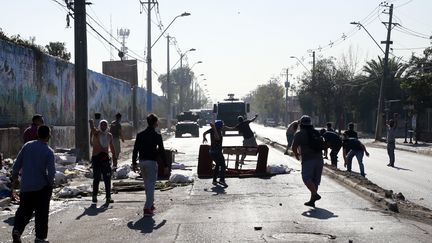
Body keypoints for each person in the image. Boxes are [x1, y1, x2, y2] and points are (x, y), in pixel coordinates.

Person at [11, 125, 56, 243]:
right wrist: (50, 184)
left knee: (24, 211)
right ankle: (40, 237)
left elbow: (17, 162)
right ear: (48, 136)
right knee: (41, 213)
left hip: (26, 186)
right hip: (41, 187)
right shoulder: (49, 151)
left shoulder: (27, 146)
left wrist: (15, 175)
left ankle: (17, 231)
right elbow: (51, 172)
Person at [132, 113, 168, 217]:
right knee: (151, 185)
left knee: (147, 185)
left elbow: (135, 150)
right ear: (156, 123)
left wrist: (134, 163)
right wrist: (165, 165)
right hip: (151, 163)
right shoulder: (157, 136)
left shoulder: (140, 135)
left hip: (142, 162)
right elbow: (161, 151)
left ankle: (151, 204)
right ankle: (147, 208)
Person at [292, 115, 324, 207]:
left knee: (306, 178)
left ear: (301, 124)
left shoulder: (299, 134)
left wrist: (296, 155)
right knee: (315, 181)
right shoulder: (316, 132)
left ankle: (315, 194)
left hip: (308, 159)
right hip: (319, 160)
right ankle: (312, 200)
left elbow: (294, 147)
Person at [89, 119, 117, 204]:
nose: (103, 126)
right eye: (102, 125)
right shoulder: (97, 133)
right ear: (99, 126)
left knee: (107, 178)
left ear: (107, 126)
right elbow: (92, 128)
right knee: (96, 177)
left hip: (105, 159)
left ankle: (108, 197)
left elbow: (111, 146)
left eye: (105, 125)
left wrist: (114, 157)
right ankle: (94, 196)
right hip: (96, 158)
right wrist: (91, 123)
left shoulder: (109, 135)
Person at [203, 120, 228, 187]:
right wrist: (214, 128)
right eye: (222, 125)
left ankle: (214, 180)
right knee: (223, 165)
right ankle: (222, 180)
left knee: (217, 165)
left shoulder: (212, 130)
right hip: (217, 152)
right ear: (219, 126)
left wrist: (204, 137)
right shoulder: (217, 131)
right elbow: (217, 138)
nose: (223, 126)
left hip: (212, 151)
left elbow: (204, 133)